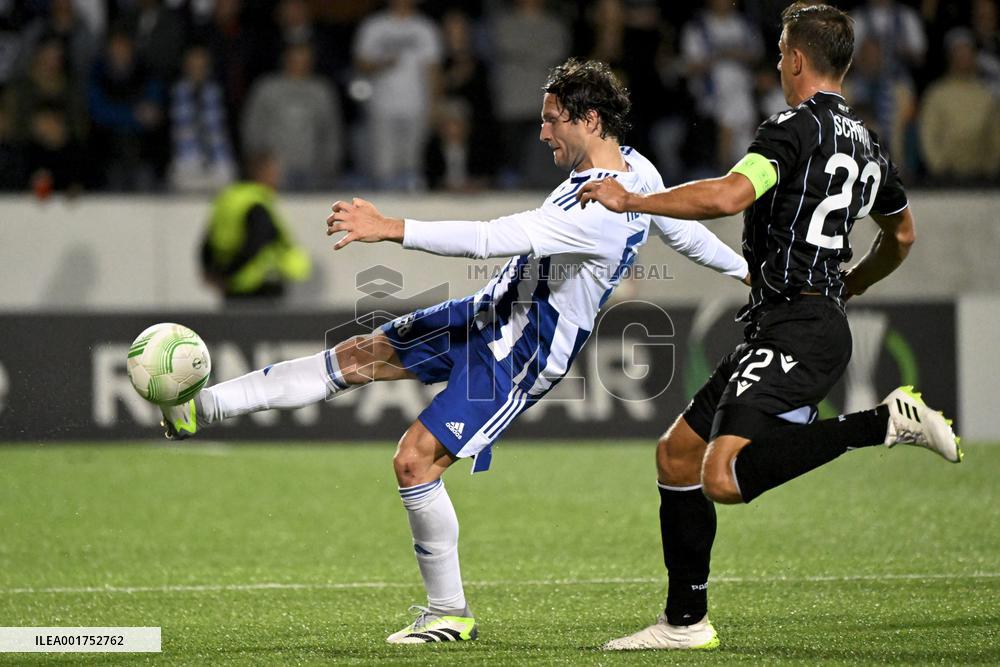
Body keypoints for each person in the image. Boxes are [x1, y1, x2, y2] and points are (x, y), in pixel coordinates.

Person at [161, 59, 749, 644]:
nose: (542, 132)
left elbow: (494, 239)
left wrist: (390, 227)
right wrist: (748, 271)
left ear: (589, 120)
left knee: (414, 459)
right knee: (356, 355)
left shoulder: (596, 210)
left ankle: (447, 612)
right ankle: (199, 410)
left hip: (524, 352)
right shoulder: (636, 174)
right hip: (487, 315)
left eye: (552, 121)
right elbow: (682, 227)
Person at [577, 3, 961, 651]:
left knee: (723, 476)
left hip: (798, 324)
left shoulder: (790, 129)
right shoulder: (868, 141)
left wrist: (631, 197)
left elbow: (731, 195)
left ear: (796, 59)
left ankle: (883, 420)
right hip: (793, 319)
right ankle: (684, 622)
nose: (779, 64)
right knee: (677, 455)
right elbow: (903, 232)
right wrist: (854, 283)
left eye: (782, 53)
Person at [200, 151, 312, 303]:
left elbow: (209, 239)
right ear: (261, 172)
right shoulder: (256, 202)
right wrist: (230, 274)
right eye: (273, 172)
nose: (277, 177)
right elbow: (256, 242)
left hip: (231, 287)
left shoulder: (228, 197)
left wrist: (213, 272)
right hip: (260, 284)